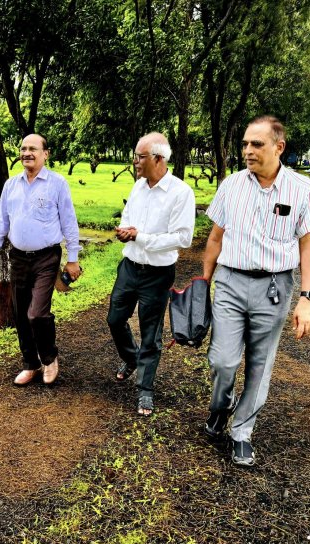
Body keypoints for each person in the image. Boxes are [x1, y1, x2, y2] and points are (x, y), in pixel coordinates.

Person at [201, 115, 310, 466]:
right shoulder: (231, 185)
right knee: (222, 360)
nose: (247, 151)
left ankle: (242, 431)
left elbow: (308, 246)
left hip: (274, 286)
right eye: (245, 144)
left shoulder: (302, 190)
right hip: (230, 282)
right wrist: (201, 284)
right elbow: (215, 237)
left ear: (278, 147)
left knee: (260, 364)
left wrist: (306, 298)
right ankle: (221, 406)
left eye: (257, 144)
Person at [0, 134, 81, 386]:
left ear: (46, 154)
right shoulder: (11, 185)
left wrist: (73, 258)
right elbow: (0, 223)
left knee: (37, 314)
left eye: (33, 149)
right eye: (23, 149)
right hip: (19, 258)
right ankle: (30, 363)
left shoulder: (57, 183)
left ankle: (49, 357)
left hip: (47, 257)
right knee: (20, 313)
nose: (27, 153)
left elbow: (69, 221)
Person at [107, 132, 196, 416]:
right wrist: (125, 232)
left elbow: (183, 238)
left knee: (151, 332)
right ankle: (131, 359)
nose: (135, 161)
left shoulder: (181, 193)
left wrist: (140, 237)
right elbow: (128, 218)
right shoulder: (138, 187)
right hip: (130, 266)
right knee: (115, 318)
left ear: (158, 158)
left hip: (157, 274)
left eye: (140, 156)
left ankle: (145, 389)